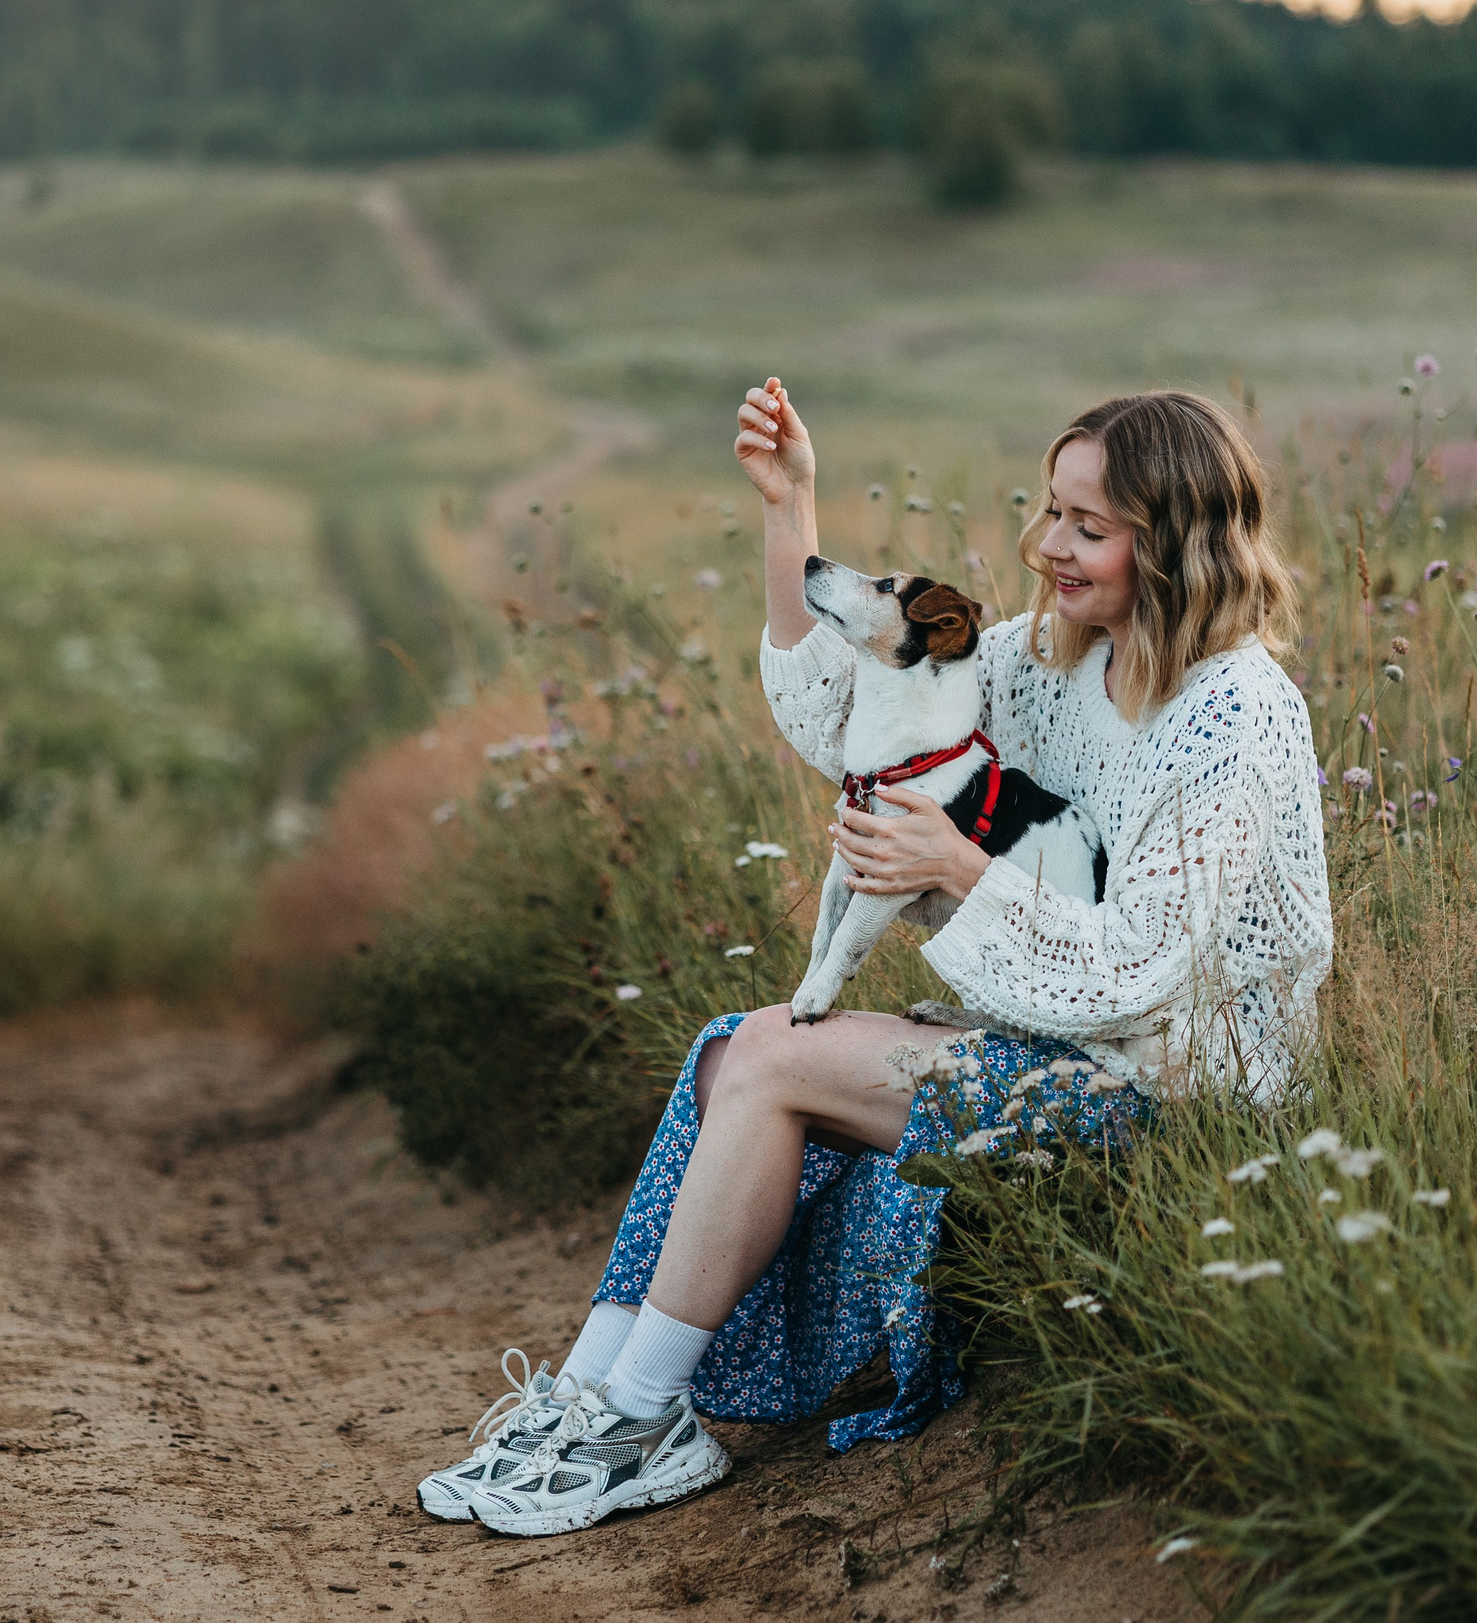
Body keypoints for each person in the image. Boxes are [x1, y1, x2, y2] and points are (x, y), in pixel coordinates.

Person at [418, 378, 1332, 1539]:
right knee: (732, 1052)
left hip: (1180, 1082)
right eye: (1051, 511)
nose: (1047, 545)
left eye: (1088, 528)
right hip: (1059, 1036)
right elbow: (831, 708)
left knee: (776, 1061)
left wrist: (956, 868)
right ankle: (591, 1395)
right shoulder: (1053, 658)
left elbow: (1145, 966)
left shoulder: (1232, 717)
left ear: (1181, 545)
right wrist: (789, 508)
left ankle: (643, 1416)